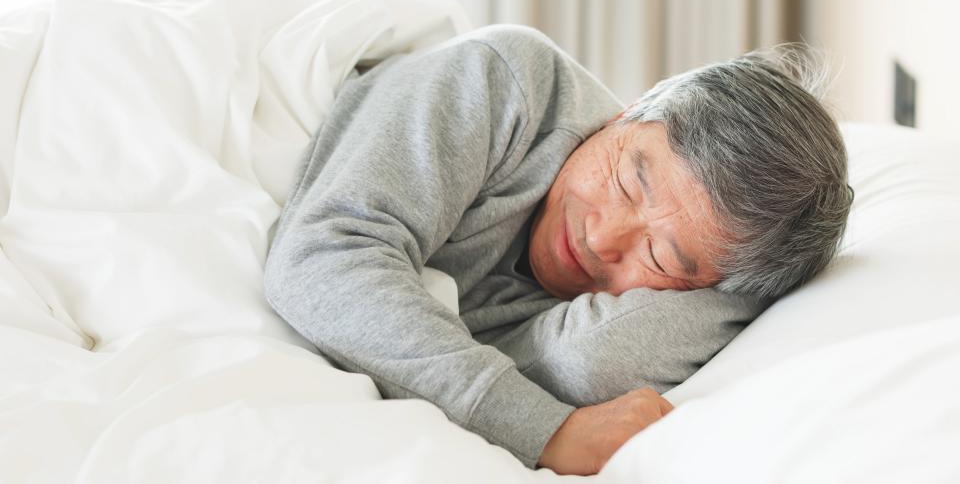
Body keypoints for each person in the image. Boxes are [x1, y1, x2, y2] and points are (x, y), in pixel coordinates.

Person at [263, 24, 852, 475]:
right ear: (626, 114)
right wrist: (547, 430)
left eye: (663, 258)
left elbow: (588, 360)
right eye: (624, 180)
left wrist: (745, 293)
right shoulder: (504, 82)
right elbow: (320, 261)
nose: (602, 238)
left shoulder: (682, 297)